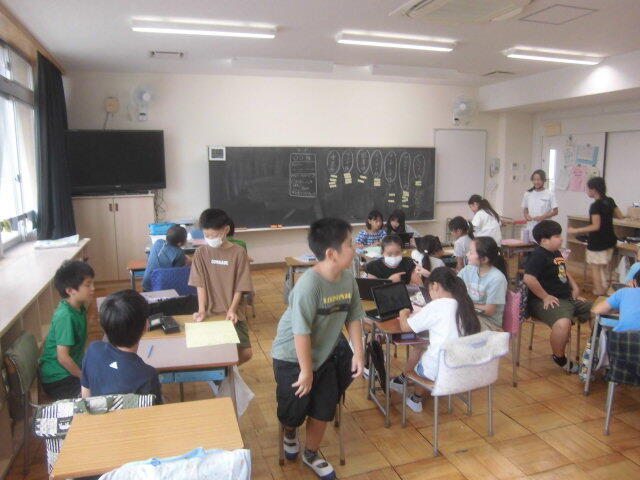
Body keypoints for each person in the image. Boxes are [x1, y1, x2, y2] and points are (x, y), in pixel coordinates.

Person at [271, 218, 364, 480]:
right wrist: (306, 371)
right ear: (332, 253)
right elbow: (301, 332)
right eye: (350, 244)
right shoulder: (308, 286)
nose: (354, 248)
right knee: (294, 410)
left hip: (324, 355)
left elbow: (353, 317)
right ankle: (290, 431)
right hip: (292, 357)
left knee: (324, 406)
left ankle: (311, 453)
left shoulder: (348, 280)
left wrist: (358, 352)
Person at [395, 267, 481, 412]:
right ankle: (402, 380)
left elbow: (405, 327)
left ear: (435, 285)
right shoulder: (465, 304)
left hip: (439, 370)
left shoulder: (437, 305)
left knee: (423, 352)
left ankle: (415, 397)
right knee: (424, 347)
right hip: (463, 369)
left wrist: (403, 313)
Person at [524, 220, 592, 373]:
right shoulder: (538, 255)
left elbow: (563, 270)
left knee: (599, 311)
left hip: (566, 298)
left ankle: (596, 351)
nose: (561, 239)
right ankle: (559, 357)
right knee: (563, 324)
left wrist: (575, 287)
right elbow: (529, 278)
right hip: (544, 301)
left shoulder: (555, 252)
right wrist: (545, 297)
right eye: (557, 236)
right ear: (544, 240)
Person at [189, 208, 254, 364]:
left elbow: (241, 286)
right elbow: (199, 284)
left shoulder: (239, 252)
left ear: (226, 230)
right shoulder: (201, 253)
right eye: (207, 235)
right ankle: (222, 372)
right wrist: (202, 309)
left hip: (233, 312)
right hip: (210, 312)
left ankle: (227, 370)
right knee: (211, 352)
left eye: (215, 235)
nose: (211, 239)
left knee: (245, 353)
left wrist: (232, 309)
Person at [81, 290, 162, 402]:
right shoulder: (148, 376)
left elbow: (85, 398)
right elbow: (154, 411)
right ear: (146, 326)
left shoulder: (93, 350)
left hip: (98, 412)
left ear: (104, 325)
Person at [39, 260, 95, 400]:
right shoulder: (65, 316)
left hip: (70, 372)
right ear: (70, 291)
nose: (93, 288)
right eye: (88, 285)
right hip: (59, 380)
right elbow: (63, 358)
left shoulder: (79, 307)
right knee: (97, 396)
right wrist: (84, 378)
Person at [567, 177, 624, 295]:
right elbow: (620, 216)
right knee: (602, 266)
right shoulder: (609, 200)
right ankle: (604, 289)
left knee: (595, 268)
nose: (587, 191)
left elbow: (595, 226)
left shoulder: (595, 206)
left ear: (594, 190)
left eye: (588, 189)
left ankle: (599, 291)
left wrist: (576, 230)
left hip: (598, 241)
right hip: (610, 240)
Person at [458, 237, 508, 331]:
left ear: (484, 259)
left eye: (471, 252)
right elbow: (454, 286)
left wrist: (466, 305)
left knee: (458, 325)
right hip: (470, 315)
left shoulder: (497, 279)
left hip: (489, 322)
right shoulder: (468, 270)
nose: (467, 254)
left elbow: (489, 311)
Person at [142, 224, 191, 292]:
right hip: (163, 289)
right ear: (179, 243)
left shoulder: (158, 242)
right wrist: (189, 263)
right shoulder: (180, 254)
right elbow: (176, 274)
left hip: (147, 286)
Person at [521, 170, 558, 235]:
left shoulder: (549, 194)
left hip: (545, 225)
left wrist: (543, 217)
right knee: (531, 240)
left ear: (543, 180)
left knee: (543, 240)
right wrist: (526, 216)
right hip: (531, 226)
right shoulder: (528, 193)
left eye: (538, 180)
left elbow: (555, 211)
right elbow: (525, 208)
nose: (536, 182)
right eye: (534, 180)